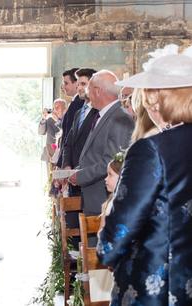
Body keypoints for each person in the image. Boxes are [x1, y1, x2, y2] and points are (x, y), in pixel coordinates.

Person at [98, 44, 192, 305]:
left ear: (156, 97)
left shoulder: (151, 149)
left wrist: (106, 249)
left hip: (159, 285)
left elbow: (124, 224)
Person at [68, 70, 134, 215]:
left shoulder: (120, 119)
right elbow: (94, 154)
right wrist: (78, 170)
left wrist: (81, 176)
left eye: (88, 88)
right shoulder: (104, 115)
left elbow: (112, 161)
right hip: (94, 197)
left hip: (104, 198)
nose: (86, 93)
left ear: (97, 91)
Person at [61, 68, 98, 196]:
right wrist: (66, 166)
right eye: (78, 85)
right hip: (73, 180)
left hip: (90, 180)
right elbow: (68, 143)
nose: (79, 88)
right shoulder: (79, 113)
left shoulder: (99, 113)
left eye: (83, 84)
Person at [57, 68, 85, 168]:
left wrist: (62, 163)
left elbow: (69, 134)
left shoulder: (78, 104)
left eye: (66, 83)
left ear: (75, 83)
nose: (63, 87)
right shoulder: (74, 102)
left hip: (72, 161)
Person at [38, 98, 66, 166]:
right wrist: (44, 118)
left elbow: (61, 132)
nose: (55, 110)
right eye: (54, 108)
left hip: (62, 155)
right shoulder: (50, 119)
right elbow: (41, 132)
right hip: (49, 154)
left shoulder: (68, 119)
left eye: (58, 107)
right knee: (49, 176)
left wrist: (57, 121)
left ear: (65, 109)